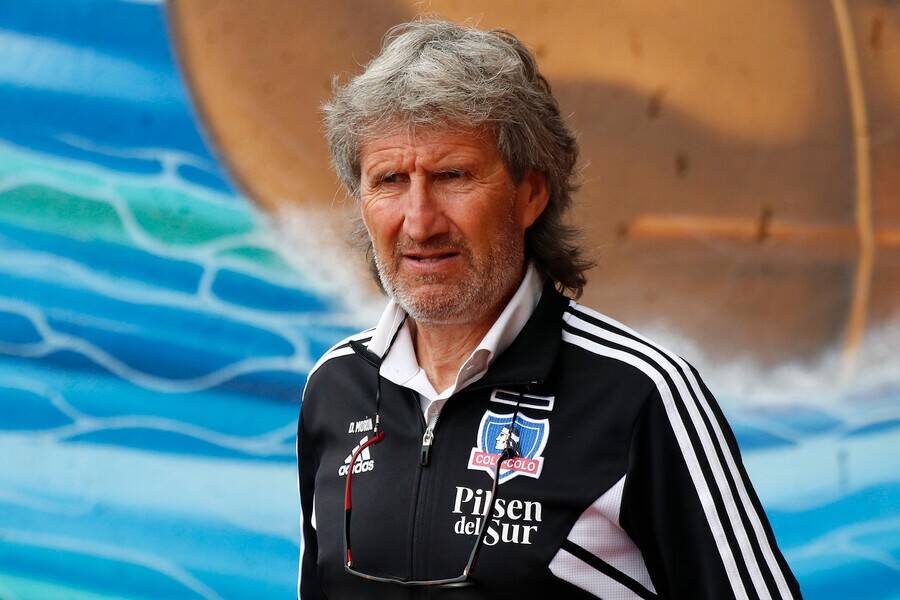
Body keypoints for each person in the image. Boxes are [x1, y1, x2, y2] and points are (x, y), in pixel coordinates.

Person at [296, 19, 802, 600]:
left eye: (452, 176)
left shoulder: (639, 395)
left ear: (531, 194)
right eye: (389, 180)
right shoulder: (336, 387)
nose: (419, 221)